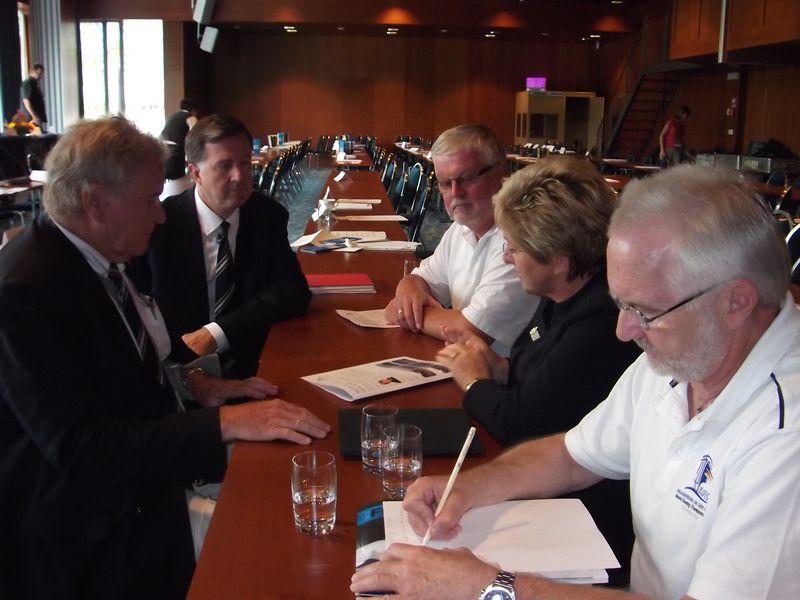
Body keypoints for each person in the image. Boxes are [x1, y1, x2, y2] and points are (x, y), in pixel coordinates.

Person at [351, 165, 800, 600]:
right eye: (621, 305)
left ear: (736, 303)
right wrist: (468, 489)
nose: (623, 331)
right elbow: (571, 457)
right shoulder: (679, 359)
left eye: (645, 311)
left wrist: (489, 588)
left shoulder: (786, 434)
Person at [0, 116, 330, 600]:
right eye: (148, 201)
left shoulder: (96, 253)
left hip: (144, 486)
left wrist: (197, 384)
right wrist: (225, 423)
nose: (160, 215)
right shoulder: (25, 290)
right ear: (94, 201)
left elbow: (118, 369)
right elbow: (81, 448)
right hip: (85, 536)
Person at [434, 157, 640, 583]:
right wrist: (498, 367)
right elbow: (545, 380)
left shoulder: (600, 322)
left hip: (591, 522)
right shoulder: (560, 293)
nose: (506, 257)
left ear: (559, 259)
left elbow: (519, 423)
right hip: (555, 482)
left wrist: (473, 380)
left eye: (514, 247)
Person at [135, 113, 311, 379]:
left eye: (245, 163)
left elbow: (292, 291)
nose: (239, 176)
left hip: (251, 365)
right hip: (177, 372)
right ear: (196, 173)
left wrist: (217, 333)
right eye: (224, 166)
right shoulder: (160, 223)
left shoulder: (266, 215)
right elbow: (138, 309)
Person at [384, 124, 539, 357]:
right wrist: (407, 286)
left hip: (506, 373)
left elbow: (471, 330)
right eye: (445, 183)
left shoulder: (520, 240)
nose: (455, 192)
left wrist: (405, 312)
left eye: (465, 178)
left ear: (501, 173)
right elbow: (422, 279)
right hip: (464, 362)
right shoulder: (460, 229)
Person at [161, 98, 199, 180]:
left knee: (166, 176)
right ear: (193, 110)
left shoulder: (174, 116)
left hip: (162, 148)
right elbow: (194, 133)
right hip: (175, 150)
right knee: (178, 179)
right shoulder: (190, 117)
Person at [19, 63, 47, 129]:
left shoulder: (34, 84)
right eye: (38, 73)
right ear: (32, 72)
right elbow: (26, 100)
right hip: (31, 119)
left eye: (41, 73)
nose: (40, 76)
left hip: (35, 118)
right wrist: (34, 116)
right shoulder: (28, 84)